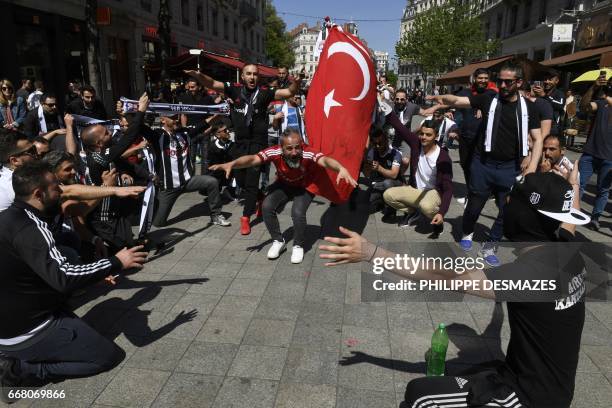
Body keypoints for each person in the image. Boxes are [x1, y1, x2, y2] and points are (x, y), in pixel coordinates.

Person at [320, 168, 590, 408]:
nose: (505, 203)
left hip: (529, 396)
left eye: (511, 200)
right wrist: (571, 185)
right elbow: (569, 220)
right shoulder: (567, 249)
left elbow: (444, 276)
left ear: (524, 216)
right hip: (553, 386)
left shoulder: (531, 275)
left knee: (421, 395)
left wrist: (372, 252)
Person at [0, 161, 148, 403]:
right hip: (26, 332)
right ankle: (22, 370)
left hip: (12, 320)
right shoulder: (31, 227)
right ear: (38, 194)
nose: (61, 190)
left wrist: (94, 276)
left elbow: (43, 271)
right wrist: (116, 262)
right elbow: (65, 277)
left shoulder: (9, 217)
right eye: (55, 186)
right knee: (107, 357)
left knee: (69, 260)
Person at [429, 62, 543, 267]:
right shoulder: (488, 98)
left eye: (508, 81)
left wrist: (533, 166)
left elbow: (538, 137)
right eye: (500, 80)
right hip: (483, 164)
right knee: (474, 206)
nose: (503, 85)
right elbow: (459, 100)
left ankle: (491, 245)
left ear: (518, 82)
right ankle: (467, 231)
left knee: (506, 209)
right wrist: (444, 99)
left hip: (510, 167)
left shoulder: (529, 108)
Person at [185, 64, 303, 235]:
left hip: (257, 144)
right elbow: (212, 84)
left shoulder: (265, 91)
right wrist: (198, 75)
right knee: (240, 180)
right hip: (239, 144)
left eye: (255, 74)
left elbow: (288, 93)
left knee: (251, 182)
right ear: (242, 76)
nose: (252, 77)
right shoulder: (234, 89)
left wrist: (296, 83)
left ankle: (245, 217)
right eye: (248, 74)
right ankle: (261, 198)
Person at [210, 129, 356, 264]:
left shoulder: (307, 152)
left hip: (305, 186)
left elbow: (324, 160)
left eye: (297, 147)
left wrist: (340, 168)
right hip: (284, 184)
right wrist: (233, 164)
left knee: (297, 212)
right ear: (281, 148)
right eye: (289, 148)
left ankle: (298, 245)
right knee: (267, 206)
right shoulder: (274, 152)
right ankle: (278, 241)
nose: (294, 152)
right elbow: (253, 159)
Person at [139, 111, 230, 228]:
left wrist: (217, 114)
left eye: (177, 117)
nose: (176, 120)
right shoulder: (158, 135)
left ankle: (216, 215)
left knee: (211, 182)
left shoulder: (184, 133)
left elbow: (203, 125)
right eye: (172, 118)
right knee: (158, 223)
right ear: (163, 120)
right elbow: (139, 127)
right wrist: (130, 112)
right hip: (168, 187)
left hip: (187, 181)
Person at [383, 114, 453, 237]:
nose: (423, 137)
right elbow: (400, 128)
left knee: (426, 206)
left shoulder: (443, 157)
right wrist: (386, 110)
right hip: (417, 190)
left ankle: (437, 222)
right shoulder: (416, 144)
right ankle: (413, 211)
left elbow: (448, 189)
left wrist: (442, 213)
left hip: (434, 192)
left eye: (428, 135)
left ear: (436, 136)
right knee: (388, 195)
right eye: (422, 134)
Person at [577, 74, 612, 231]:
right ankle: (572, 212)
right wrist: (594, 87)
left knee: (603, 191)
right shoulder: (602, 103)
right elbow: (584, 106)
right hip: (590, 153)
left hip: (609, 158)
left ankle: (595, 218)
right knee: (578, 184)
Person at [362, 127, 403, 220]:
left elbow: (394, 175)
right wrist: (365, 165)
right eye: (375, 143)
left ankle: (392, 210)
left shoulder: (395, 153)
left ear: (386, 140)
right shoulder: (372, 152)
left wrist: (379, 168)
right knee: (369, 200)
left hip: (395, 183)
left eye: (380, 143)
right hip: (379, 183)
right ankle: (382, 202)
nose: (377, 146)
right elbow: (367, 175)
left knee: (387, 183)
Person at [179, 78, 216, 171]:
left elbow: (214, 115)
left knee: (206, 158)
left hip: (204, 131)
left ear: (199, 87)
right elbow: (183, 114)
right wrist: (185, 129)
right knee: (190, 158)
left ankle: (205, 181)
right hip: (191, 132)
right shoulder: (184, 97)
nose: (190, 89)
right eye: (189, 87)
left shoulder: (207, 98)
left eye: (193, 87)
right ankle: (191, 180)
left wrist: (210, 128)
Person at [533, 69, 565, 137]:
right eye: (545, 79)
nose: (547, 81)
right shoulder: (540, 91)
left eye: (550, 79)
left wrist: (544, 96)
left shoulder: (559, 93)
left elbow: (560, 105)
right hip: (537, 126)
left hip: (552, 129)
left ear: (557, 81)